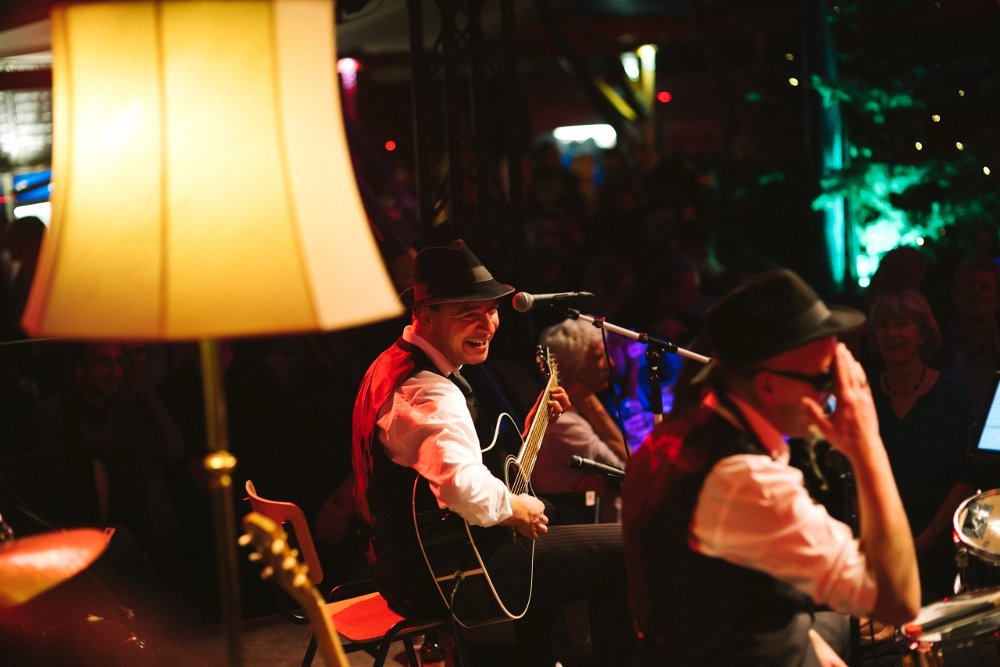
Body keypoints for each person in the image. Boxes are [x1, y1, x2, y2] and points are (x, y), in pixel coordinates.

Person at [351, 240, 634, 665]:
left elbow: (443, 467)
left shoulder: (391, 364)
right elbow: (462, 489)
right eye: (468, 312)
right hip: (443, 579)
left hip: (400, 567)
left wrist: (533, 428)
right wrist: (516, 507)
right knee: (626, 547)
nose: (487, 325)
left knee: (551, 525)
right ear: (425, 316)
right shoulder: (428, 393)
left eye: (492, 310)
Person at [622, 268, 920, 666]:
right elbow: (898, 600)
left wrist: (810, 644)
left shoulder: (686, 430)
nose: (834, 392)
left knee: (831, 628)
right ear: (767, 386)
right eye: (823, 378)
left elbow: (727, 594)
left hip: (701, 643)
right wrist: (867, 445)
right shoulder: (747, 480)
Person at [869, 290, 976, 601]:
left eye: (901, 324)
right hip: (876, 549)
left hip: (939, 547)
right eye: (883, 325)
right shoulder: (863, 393)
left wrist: (927, 538)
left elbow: (966, 475)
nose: (892, 333)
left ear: (923, 333)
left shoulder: (953, 394)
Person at [533, 317, 628, 523]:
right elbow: (627, 468)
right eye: (598, 358)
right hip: (593, 531)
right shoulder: (564, 424)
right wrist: (594, 407)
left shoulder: (577, 411)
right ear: (571, 368)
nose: (610, 364)